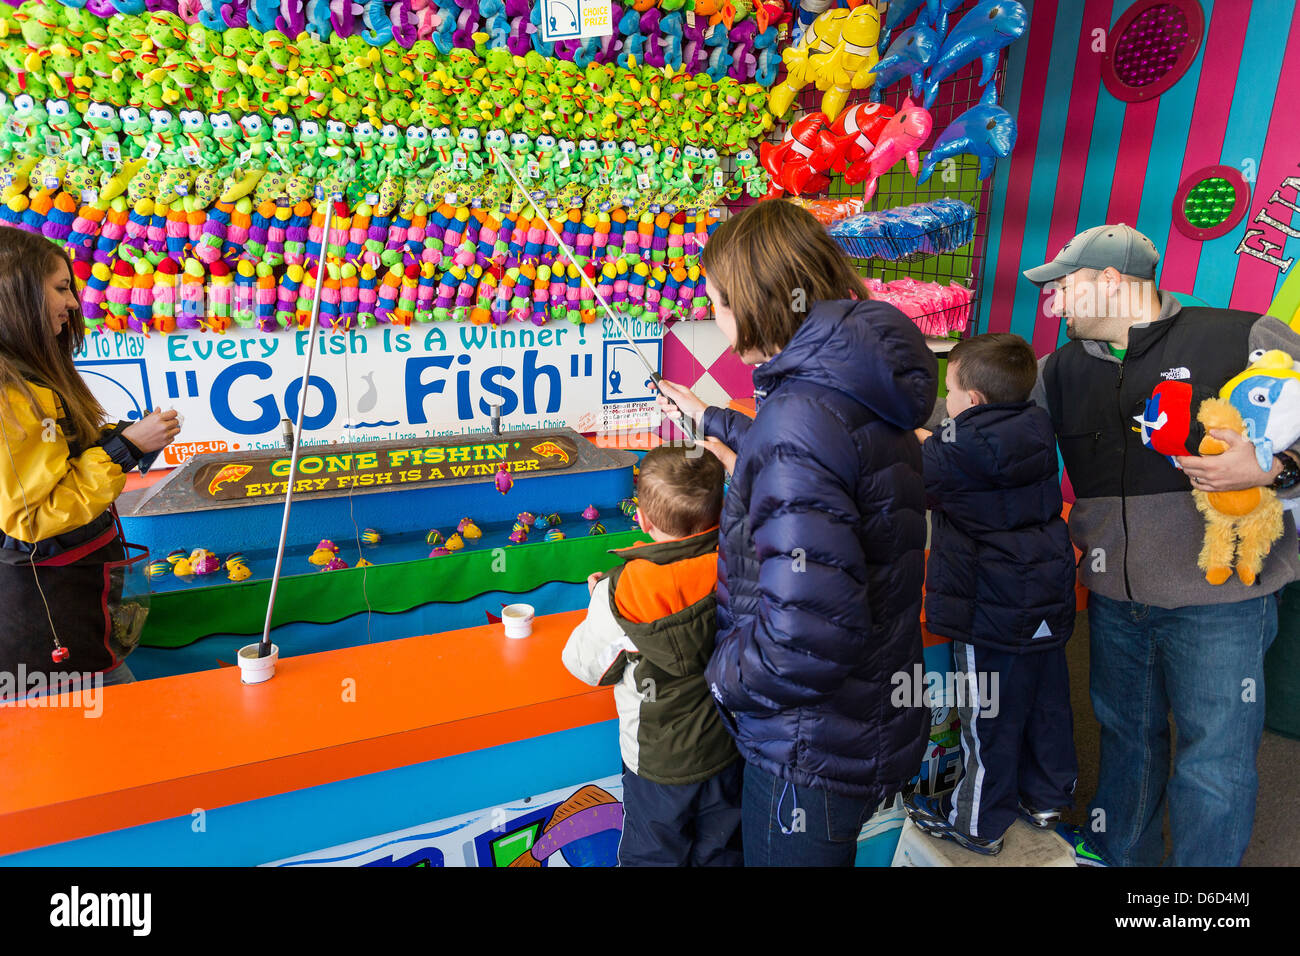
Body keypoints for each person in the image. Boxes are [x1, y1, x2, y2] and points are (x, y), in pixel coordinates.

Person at [655, 200, 937, 867]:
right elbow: (824, 462)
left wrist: (722, 675)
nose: (715, 318)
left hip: (809, 745)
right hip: (863, 717)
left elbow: (806, 638)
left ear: (754, 300)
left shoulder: (798, 419)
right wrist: (715, 419)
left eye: (718, 302)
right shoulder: (855, 379)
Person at [1024, 223, 1300, 866]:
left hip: (1222, 600)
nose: (1057, 301)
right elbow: (980, 425)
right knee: (1125, 741)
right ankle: (1125, 864)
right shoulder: (1057, 370)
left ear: (1110, 282)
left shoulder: (1245, 335)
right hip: (1116, 599)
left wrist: (1272, 470)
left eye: (1065, 285)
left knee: (1215, 758)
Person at [902, 333, 1079, 855]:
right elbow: (965, 447)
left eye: (950, 393)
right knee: (1046, 699)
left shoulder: (955, 450)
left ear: (972, 401)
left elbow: (912, 478)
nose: (946, 404)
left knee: (989, 715)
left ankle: (976, 821)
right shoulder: (1033, 422)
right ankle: (1047, 796)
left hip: (992, 603)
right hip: (1043, 593)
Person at [0, 227, 180, 698]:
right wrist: (123, 451)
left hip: (71, 603)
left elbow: (56, 462)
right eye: (60, 288)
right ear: (14, 290)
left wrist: (120, 441)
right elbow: (33, 514)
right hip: (43, 624)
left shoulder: (31, 378)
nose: (73, 304)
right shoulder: (9, 395)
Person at [562, 445, 740, 866]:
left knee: (653, 857)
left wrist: (597, 602)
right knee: (723, 855)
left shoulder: (622, 592)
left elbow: (584, 665)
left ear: (641, 518)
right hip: (726, 750)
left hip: (658, 763)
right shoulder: (742, 563)